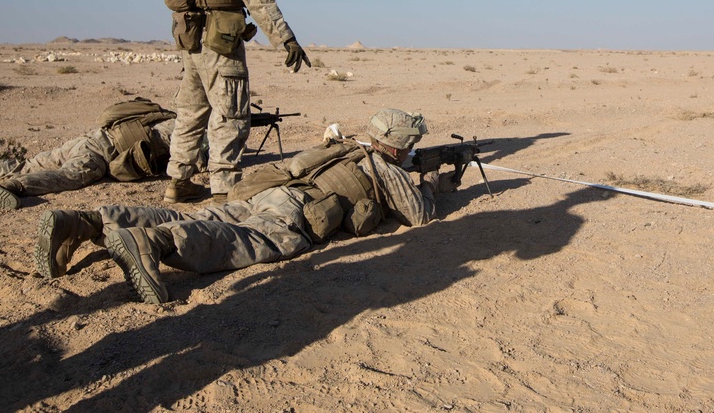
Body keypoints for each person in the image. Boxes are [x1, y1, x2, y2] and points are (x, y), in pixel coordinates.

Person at [34, 109, 459, 304]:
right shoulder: (386, 169)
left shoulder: (347, 145)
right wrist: (432, 184)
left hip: (264, 191)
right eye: (411, 147)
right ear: (400, 146)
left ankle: (86, 222)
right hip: (292, 212)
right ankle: (154, 244)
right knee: (241, 241)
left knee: (200, 215)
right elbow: (421, 216)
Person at [164, 0, 311, 205]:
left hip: (191, 40)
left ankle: (178, 181)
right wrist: (285, 38)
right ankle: (224, 190)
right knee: (230, 114)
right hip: (220, 42)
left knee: (190, 112)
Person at [0, 99, 176, 210]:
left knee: (24, 164)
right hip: (99, 153)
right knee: (69, 177)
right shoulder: (184, 128)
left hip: (85, 139)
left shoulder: (163, 115)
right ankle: (12, 188)